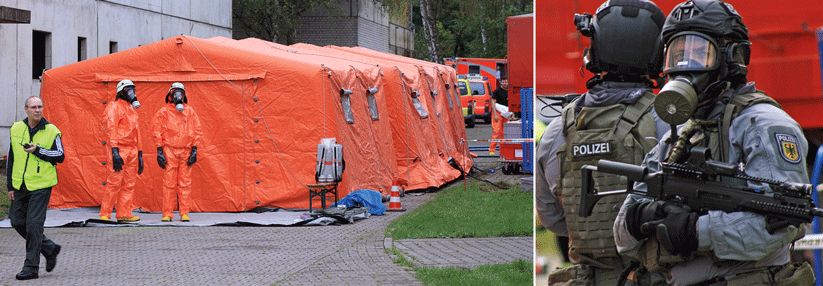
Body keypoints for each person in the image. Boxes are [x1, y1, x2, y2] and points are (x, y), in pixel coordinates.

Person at [613, 1, 814, 285]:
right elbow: (621, 234)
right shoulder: (680, 133)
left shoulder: (764, 126)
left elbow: (774, 228)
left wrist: (696, 231)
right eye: (677, 55)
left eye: (699, 54)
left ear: (731, 58)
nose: (684, 68)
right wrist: (645, 215)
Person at [534, 0, 669, 284]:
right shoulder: (672, 123)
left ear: (594, 49)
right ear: (658, 54)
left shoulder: (558, 128)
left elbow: (553, 220)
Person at [6, 96, 64, 280]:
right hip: (20, 185)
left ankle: (31, 268)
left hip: (41, 184)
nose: (37, 110)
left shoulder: (52, 130)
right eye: (33, 107)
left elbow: (60, 155)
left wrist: (37, 150)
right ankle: (49, 248)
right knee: (16, 221)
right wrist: (10, 185)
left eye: (39, 107)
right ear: (26, 110)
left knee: (33, 225)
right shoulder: (16, 129)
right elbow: (12, 158)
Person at [152, 82, 202, 222]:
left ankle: (184, 212)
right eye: (175, 93)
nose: (177, 96)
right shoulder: (164, 112)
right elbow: (157, 131)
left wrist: (194, 150)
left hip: (185, 150)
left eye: (180, 93)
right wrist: (159, 150)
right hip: (170, 150)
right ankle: (167, 213)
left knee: (185, 183)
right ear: (170, 95)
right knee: (169, 183)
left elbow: (197, 130)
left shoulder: (190, 111)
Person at [100, 79, 143, 222]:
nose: (132, 93)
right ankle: (105, 213)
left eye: (133, 90)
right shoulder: (114, 107)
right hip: (119, 148)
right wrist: (115, 151)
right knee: (114, 182)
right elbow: (110, 128)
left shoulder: (132, 110)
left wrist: (140, 153)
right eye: (129, 90)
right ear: (121, 92)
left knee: (129, 183)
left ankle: (124, 214)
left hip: (132, 150)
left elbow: (137, 132)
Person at [488, 78, 510, 155]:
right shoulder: (497, 91)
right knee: (496, 131)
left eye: (506, 82)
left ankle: (502, 150)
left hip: (506, 113)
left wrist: (511, 114)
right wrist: (495, 114)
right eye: (503, 81)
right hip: (498, 112)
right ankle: (492, 149)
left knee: (504, 133)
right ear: (501, 82)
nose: (504, 83)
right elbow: (493, 103)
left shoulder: (509, 91)